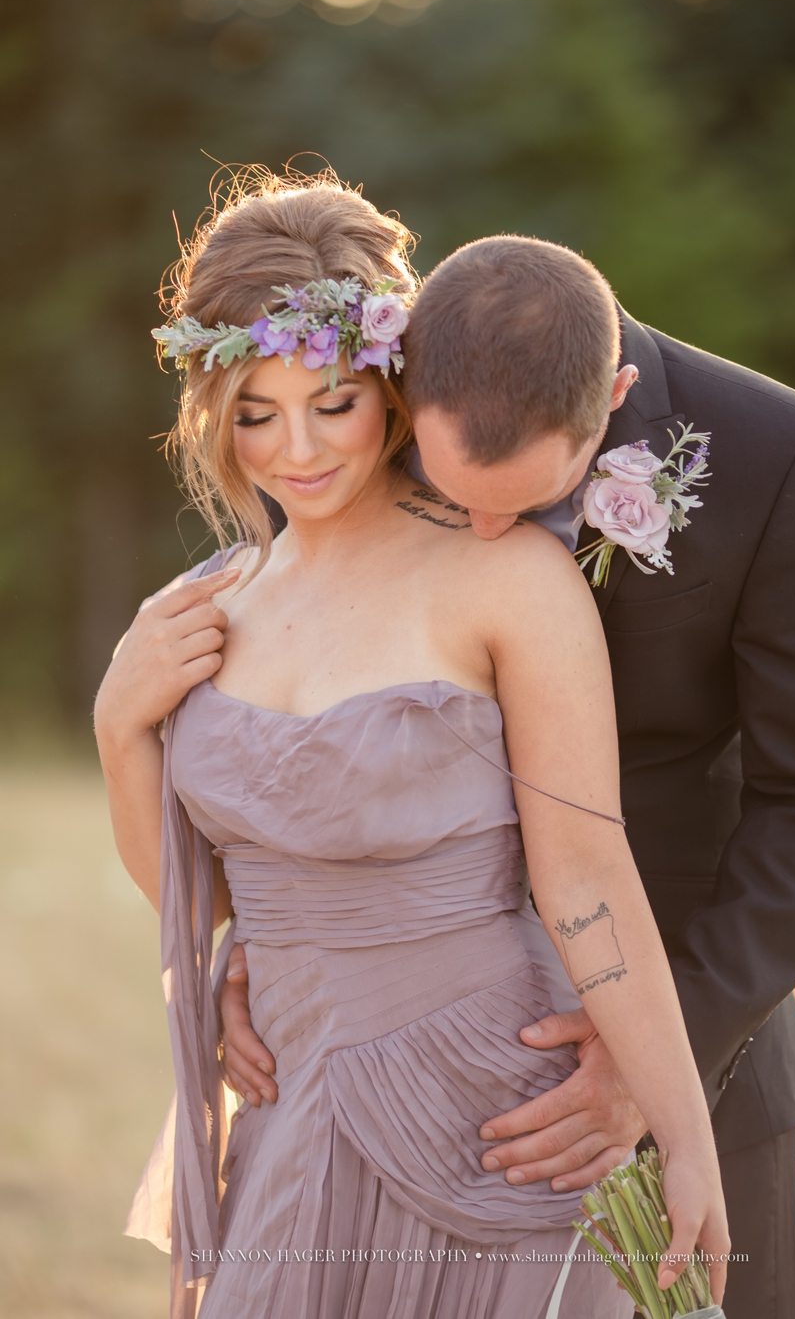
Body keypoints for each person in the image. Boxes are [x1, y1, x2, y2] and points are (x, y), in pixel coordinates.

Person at [219, 232, 795, 1318]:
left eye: (526, 499)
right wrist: (266, 928)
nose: (486, 532)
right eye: (455, 493)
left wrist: (656, 1049)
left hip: (689, 1028)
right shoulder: (376, 406)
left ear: (613, 395)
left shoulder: (772, 451)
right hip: (417, 1065)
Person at [94, 171, 729, 1319]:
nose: (295, 449)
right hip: (289, 1101)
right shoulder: (202, 604)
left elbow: (586, 871)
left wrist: (680, 1130)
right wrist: (116, 723)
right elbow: (194, 900)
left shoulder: (504, 576)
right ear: (211, 413)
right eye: (253, 413)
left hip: (497, 1108)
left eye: (330, 402)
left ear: (388, 385)